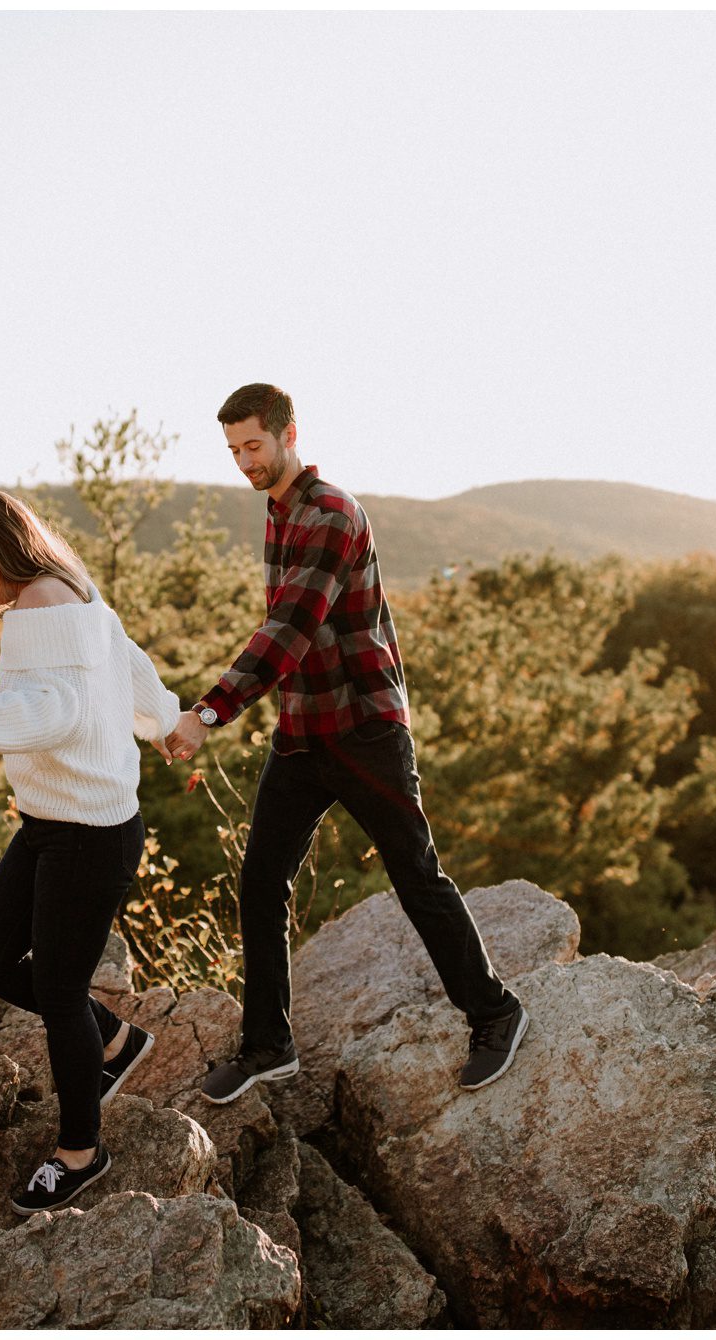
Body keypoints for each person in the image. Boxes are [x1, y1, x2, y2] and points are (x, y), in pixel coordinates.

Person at [165, 383, 528, 1104]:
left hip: (363, 729)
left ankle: (495, 1012)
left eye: (254, 446)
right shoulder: (278, 511)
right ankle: (269, 1045)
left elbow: (290, 627)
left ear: (288, 433)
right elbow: (290, 639)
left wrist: (207, 713)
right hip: (302, 732)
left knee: (415, 876)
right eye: (234, 450)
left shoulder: (331, 513)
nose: (244, 462)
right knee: (262, 881)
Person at [0, 489, 180, 1213]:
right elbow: (125, 667)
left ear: (3, 540)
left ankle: (80, 1153)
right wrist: (166, 720)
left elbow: (48, 715)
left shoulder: (39, 605)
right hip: (53, 821)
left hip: (87, 833)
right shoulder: (75, 590)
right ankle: (115, 1044)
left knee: (59, 990)